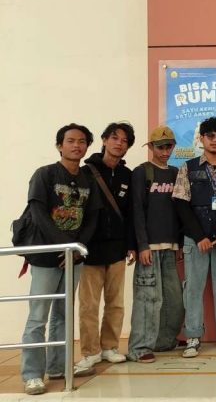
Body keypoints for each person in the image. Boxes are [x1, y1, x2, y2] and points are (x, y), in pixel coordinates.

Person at [19, 124, 101, 395]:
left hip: (73, 257)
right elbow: (38, 213)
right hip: (46, 256)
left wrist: (76, 249)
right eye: (70, 141)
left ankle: (58, 367)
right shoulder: (44, 174)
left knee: (63, 315)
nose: (77, 146)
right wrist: (63, 246)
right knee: (38, 317)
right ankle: (32, 374)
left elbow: (92, 217)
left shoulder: (88, 179)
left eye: (82, 141)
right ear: (59, 145)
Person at [172, 117, 216, 358]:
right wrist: (198, 235)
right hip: (195, 239)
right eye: (210, 136)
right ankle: (192, 337)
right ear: (201, 139)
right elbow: (181, 204)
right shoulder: (188, 167)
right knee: (193, 288)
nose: (215, 140)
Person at [76, 122, 136, 374]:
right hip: (90, 249)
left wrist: (131, 244)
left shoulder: (127, 175)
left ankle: (110, 347)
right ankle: (90, 352)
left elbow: (131, 213)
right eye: (114, 138)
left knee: (116, 302)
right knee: (88, 305)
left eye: (124, 140)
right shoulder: (85, 172)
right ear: (103, 140)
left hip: (117, 248)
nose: (119, 143)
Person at [127, 125, 184, 364]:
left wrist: (179, 243)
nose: (165, 151)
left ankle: (164, 340)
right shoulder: (141, 172)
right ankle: (139, 347)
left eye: (169, 146)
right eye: (160, 147)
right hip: (149, 248)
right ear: (151, 147)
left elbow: (180, 210)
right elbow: (136, 211)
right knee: (148, 298)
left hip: (170, 246)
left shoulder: (175, 173)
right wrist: (142, 245)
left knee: (173, 299)